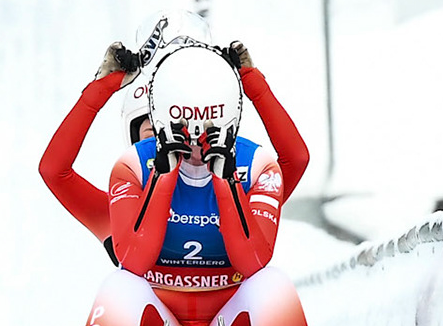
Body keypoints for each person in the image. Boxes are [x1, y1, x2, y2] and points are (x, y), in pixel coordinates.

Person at [72, 44, 319, 326]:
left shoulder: (255, 164)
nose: (195, 144)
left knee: (274, 285)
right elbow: (132, 259)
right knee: (118, 287)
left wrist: (226, 184)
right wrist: (164, 178)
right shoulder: (134, 166)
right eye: (173, 129)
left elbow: (254, 261)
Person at [37, 14, 312, 262]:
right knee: (120, 290)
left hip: (232, 314)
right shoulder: (120, 201)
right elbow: (54, 170)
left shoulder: (245, 181)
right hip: (150, 314)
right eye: (155, 133)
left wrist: (251, 81)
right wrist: (102, 87)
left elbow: (295, 160)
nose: (174, 141)